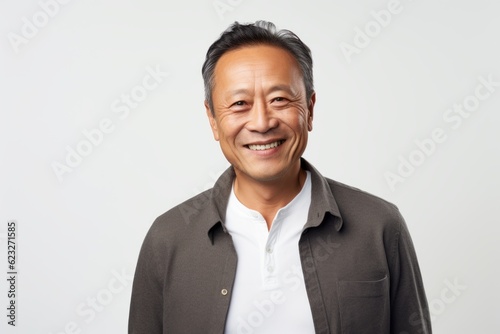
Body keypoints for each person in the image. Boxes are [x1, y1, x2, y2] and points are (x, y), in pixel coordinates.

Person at [128, 20, 432, 334]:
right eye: (239, 104)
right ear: (213, 119)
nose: (261, 122)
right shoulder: (168, 239)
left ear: (310, 109)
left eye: (280, 100)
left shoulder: (379, 225)